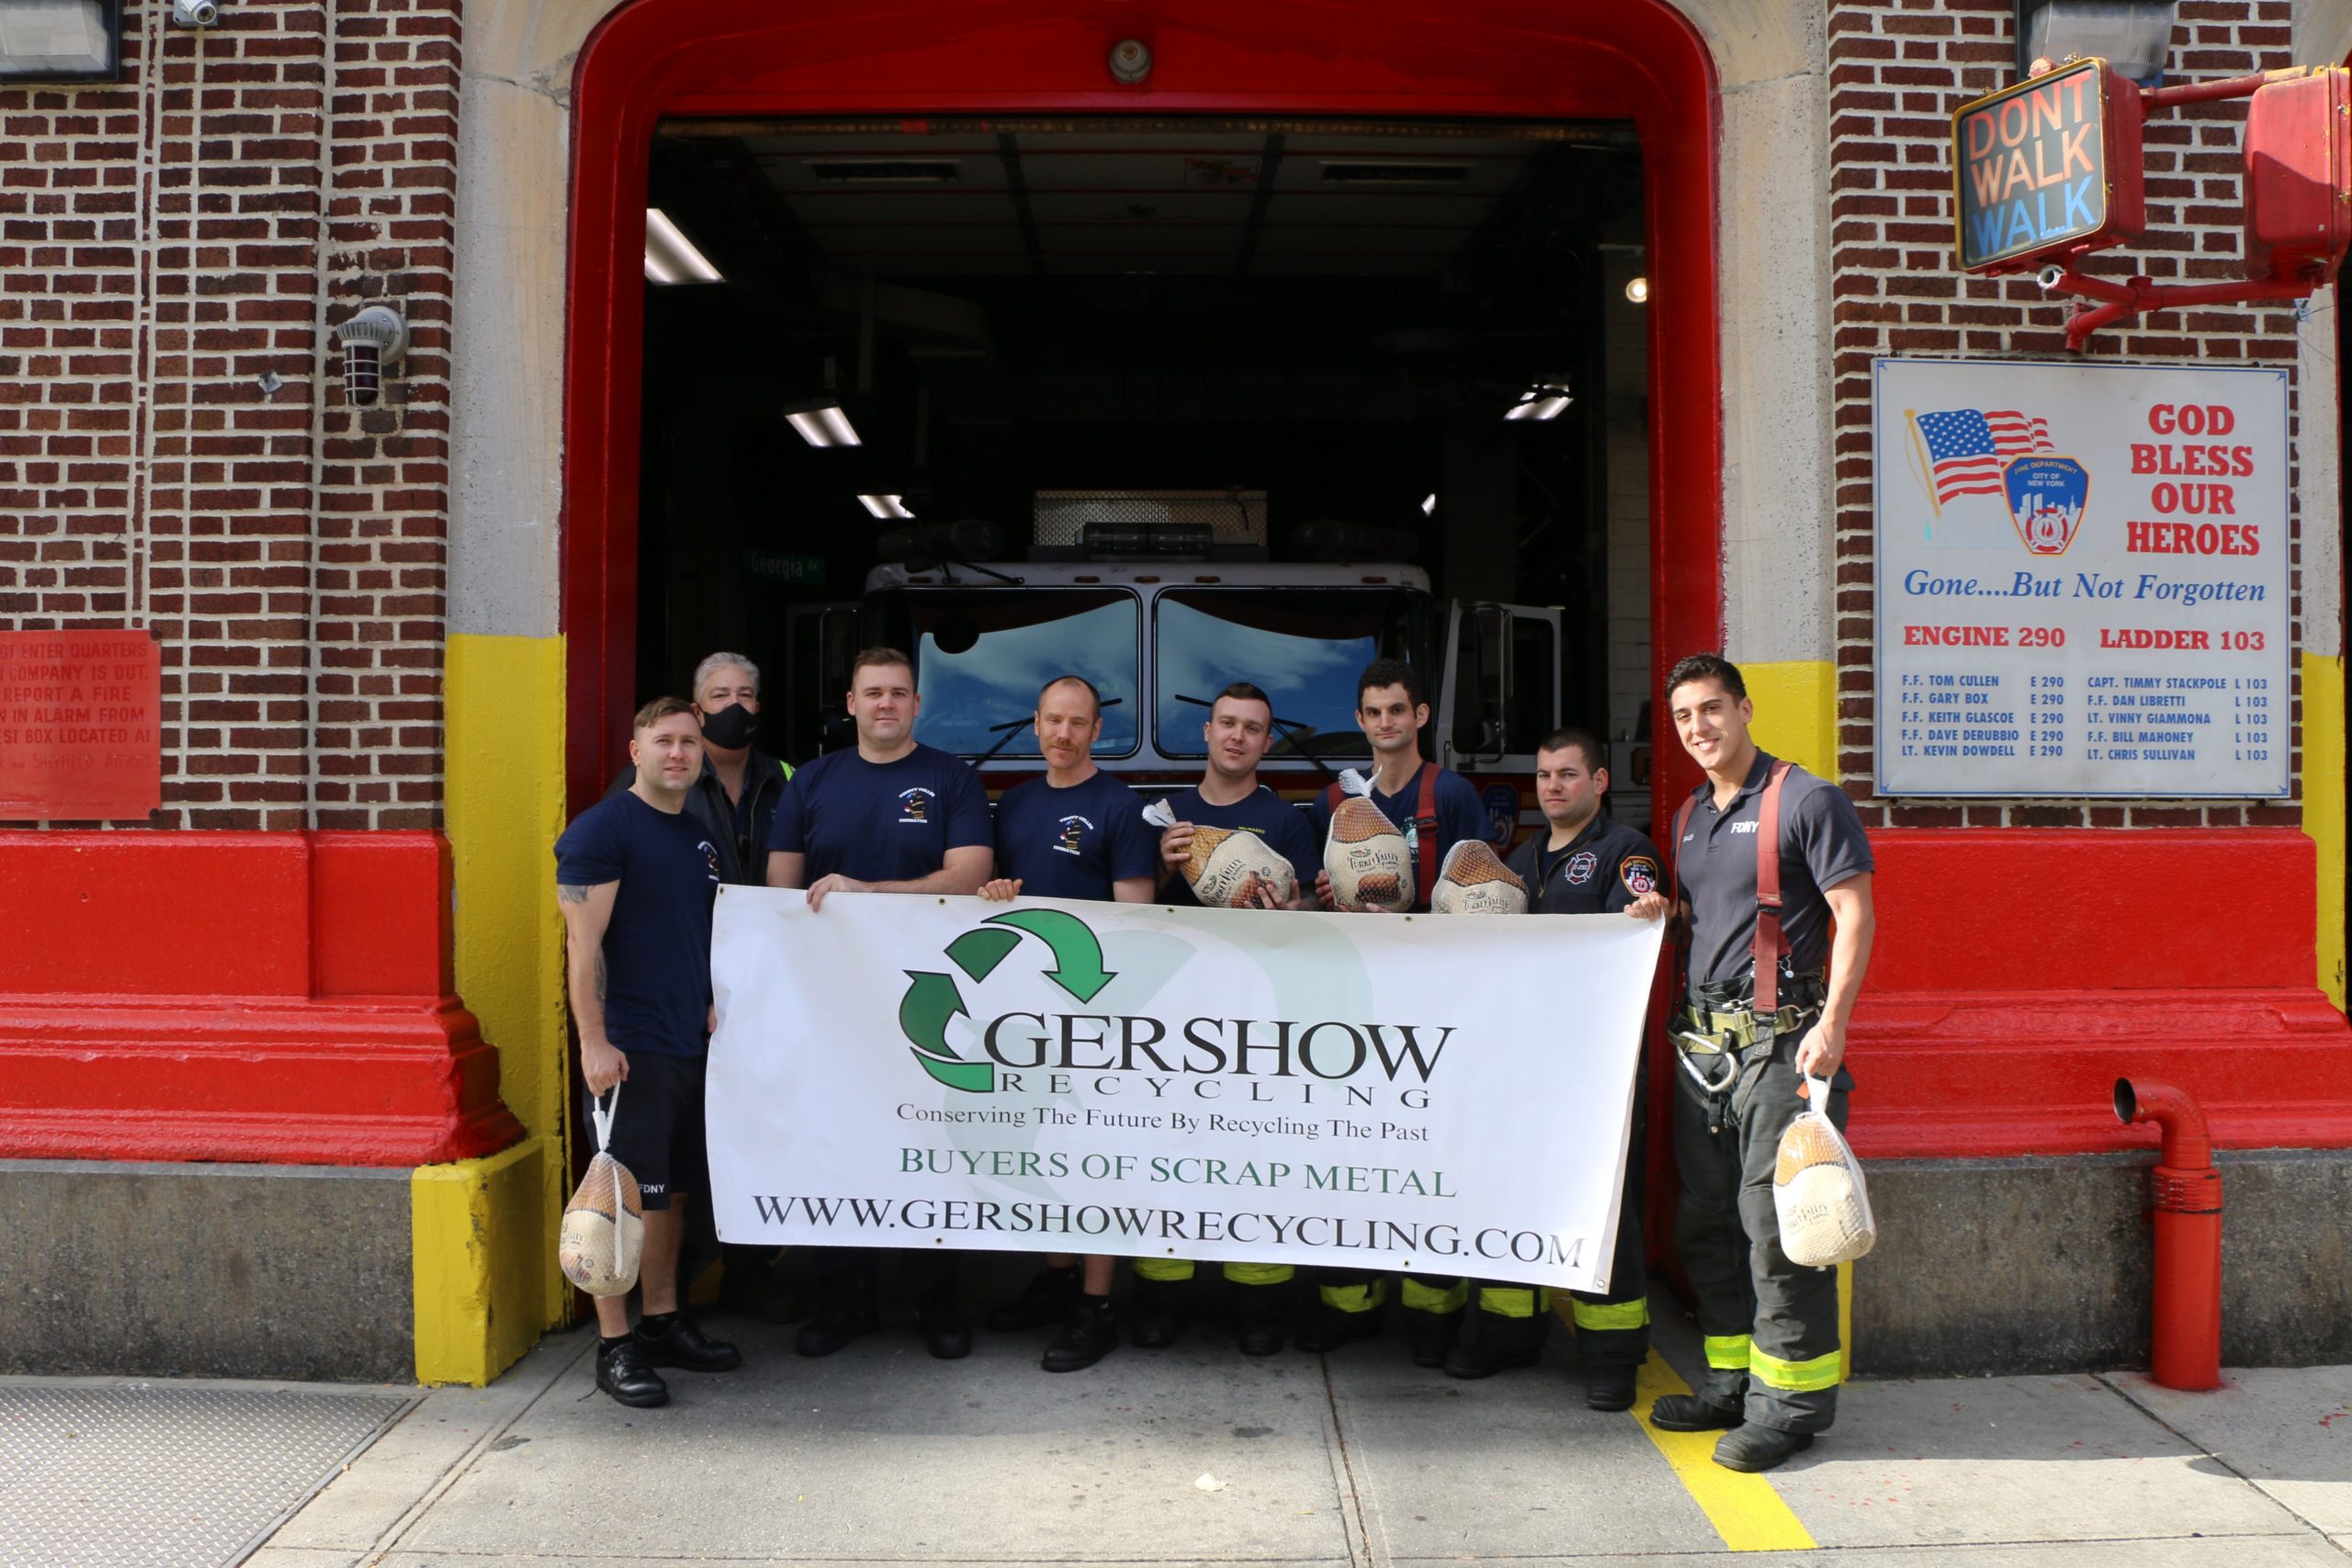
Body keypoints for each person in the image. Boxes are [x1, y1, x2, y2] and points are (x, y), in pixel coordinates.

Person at [1649, 653, 1875, 1473]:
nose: (1699, 728)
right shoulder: (1687, 817)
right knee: (1706, 1223)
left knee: (1781, 1231)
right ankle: (1732, 1382)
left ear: (1745, 709)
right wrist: (1662, 913)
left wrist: (1835, 1026)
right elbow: (1713, 919)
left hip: (1786, 1048)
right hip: (1702, 1049)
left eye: (1712, 710)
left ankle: (1792, 1408)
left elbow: (1855, 915)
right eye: (1684, 717)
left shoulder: (1808, 799)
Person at [766, 647, 993, 1359]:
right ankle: (844, 1297)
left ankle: (935, 1298)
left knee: (933, 1137)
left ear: (917, 705)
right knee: (840, 1137)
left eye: (899, 692)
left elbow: (969, 875)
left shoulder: (951, 778)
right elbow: (779, 891)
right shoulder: (811, 781)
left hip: (933, 993)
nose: (887, 703)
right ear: (851, 703)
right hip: (832, 997)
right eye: (874, 692)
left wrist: (870, 893)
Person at [1299, 658, 1490, 1363]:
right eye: (1374, 711)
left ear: (1419, 716)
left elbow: (1487, 890)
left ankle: (1432, 1313)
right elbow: (1312, 898)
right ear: (1360, 719)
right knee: (1350, 1154)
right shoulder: (1332, 804)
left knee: (1427, 1158)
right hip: (1356, 1001)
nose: (1386, 722)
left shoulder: (1456, 793)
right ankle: (1349, 1302)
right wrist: (1326, 889)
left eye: (1397, 710)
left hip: (1433, 1000)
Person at [555, 696, 743, 1408]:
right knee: (620, 1195)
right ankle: (615, 1344)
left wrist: (706, 997)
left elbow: (701, 932)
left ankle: (663, 1321)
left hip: (688, 1047)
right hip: (628, 1049)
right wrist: (594, 1041)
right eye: (663, 740)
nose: (678, 753)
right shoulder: (603, 831)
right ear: (634, 751)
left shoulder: (701, 834)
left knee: (673, 1195)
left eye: (689, 743)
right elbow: (582, 949)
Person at [975, 674, 1158, 1372]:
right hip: (1024, 1008)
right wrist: (995, 892)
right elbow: (995, 897)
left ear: (1097, 731)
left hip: (1097, 1006)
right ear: (1035, 723)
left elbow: (1135, 914)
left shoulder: (1121, 807)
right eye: (1053, 720)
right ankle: (1056, 1277)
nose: (1063, 734)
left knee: (1096, 1154)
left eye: (1077, 723)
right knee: (1044, 1150)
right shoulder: (1012, 804)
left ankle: (1098, 1301)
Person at [604, 653, 797, 1318]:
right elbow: (592, 934)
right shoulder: (628, 810)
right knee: (642, 1177)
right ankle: (640, 1320)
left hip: (749, 997)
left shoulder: (785, 779)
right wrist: (594, 1035)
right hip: (657, 1015)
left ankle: (740, 1276)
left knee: (730, 1148)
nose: (733, 706)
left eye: (747, 692)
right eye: (719, 695)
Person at [1484, 727, 1668, 1406]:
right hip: (1525, 1062)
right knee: (1515, 1192)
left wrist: (1653, 914)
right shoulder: (1523, 859)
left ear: (1598, 783)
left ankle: (1613, 1356)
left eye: (1567, 774)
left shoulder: (1625, 852)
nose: (1552, 786)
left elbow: (1650, 922)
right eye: (1543, 775)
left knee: (1604, 1207)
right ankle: (1511, 1333)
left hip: (1596, 1066)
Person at [1143, 682, 1318, 1354]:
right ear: (1208, 733)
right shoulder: (1166, 817)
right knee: (1170, 1153)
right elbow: (1131, 910)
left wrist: (1293, 906)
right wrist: (1161, 867)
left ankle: (1259, 1305)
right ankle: (1162, 1300)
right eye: (1228, 724)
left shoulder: (1289, 819)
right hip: (1177, 1011)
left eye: (1253, 728)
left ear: (1266, 742)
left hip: (1258, 1010)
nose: (1238, 736)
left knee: (1257, 1151)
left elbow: (1307, 915)